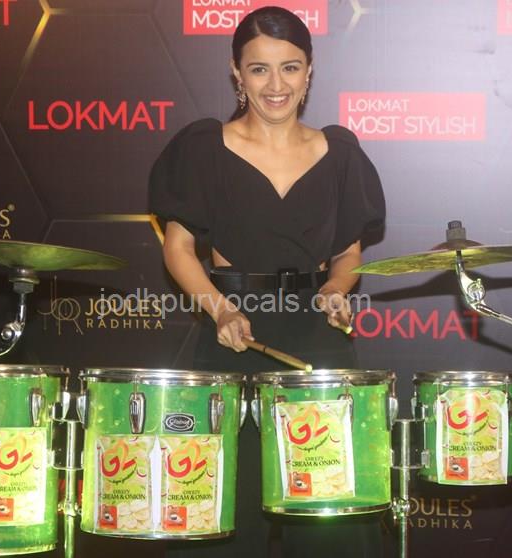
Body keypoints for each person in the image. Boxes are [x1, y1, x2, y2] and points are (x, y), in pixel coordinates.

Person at [149, 6, 386, 557]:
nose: (275, 85)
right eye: (259, 69)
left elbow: (348, 253)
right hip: (232, 334)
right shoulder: (204, 147)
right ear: (237, 73)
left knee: (328, 510)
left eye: (289, 67)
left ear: (309, 71)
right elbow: (178, 248)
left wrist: (335, 290)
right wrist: (220, 309)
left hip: (317, 340)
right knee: (223, 509)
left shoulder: (340, 153)